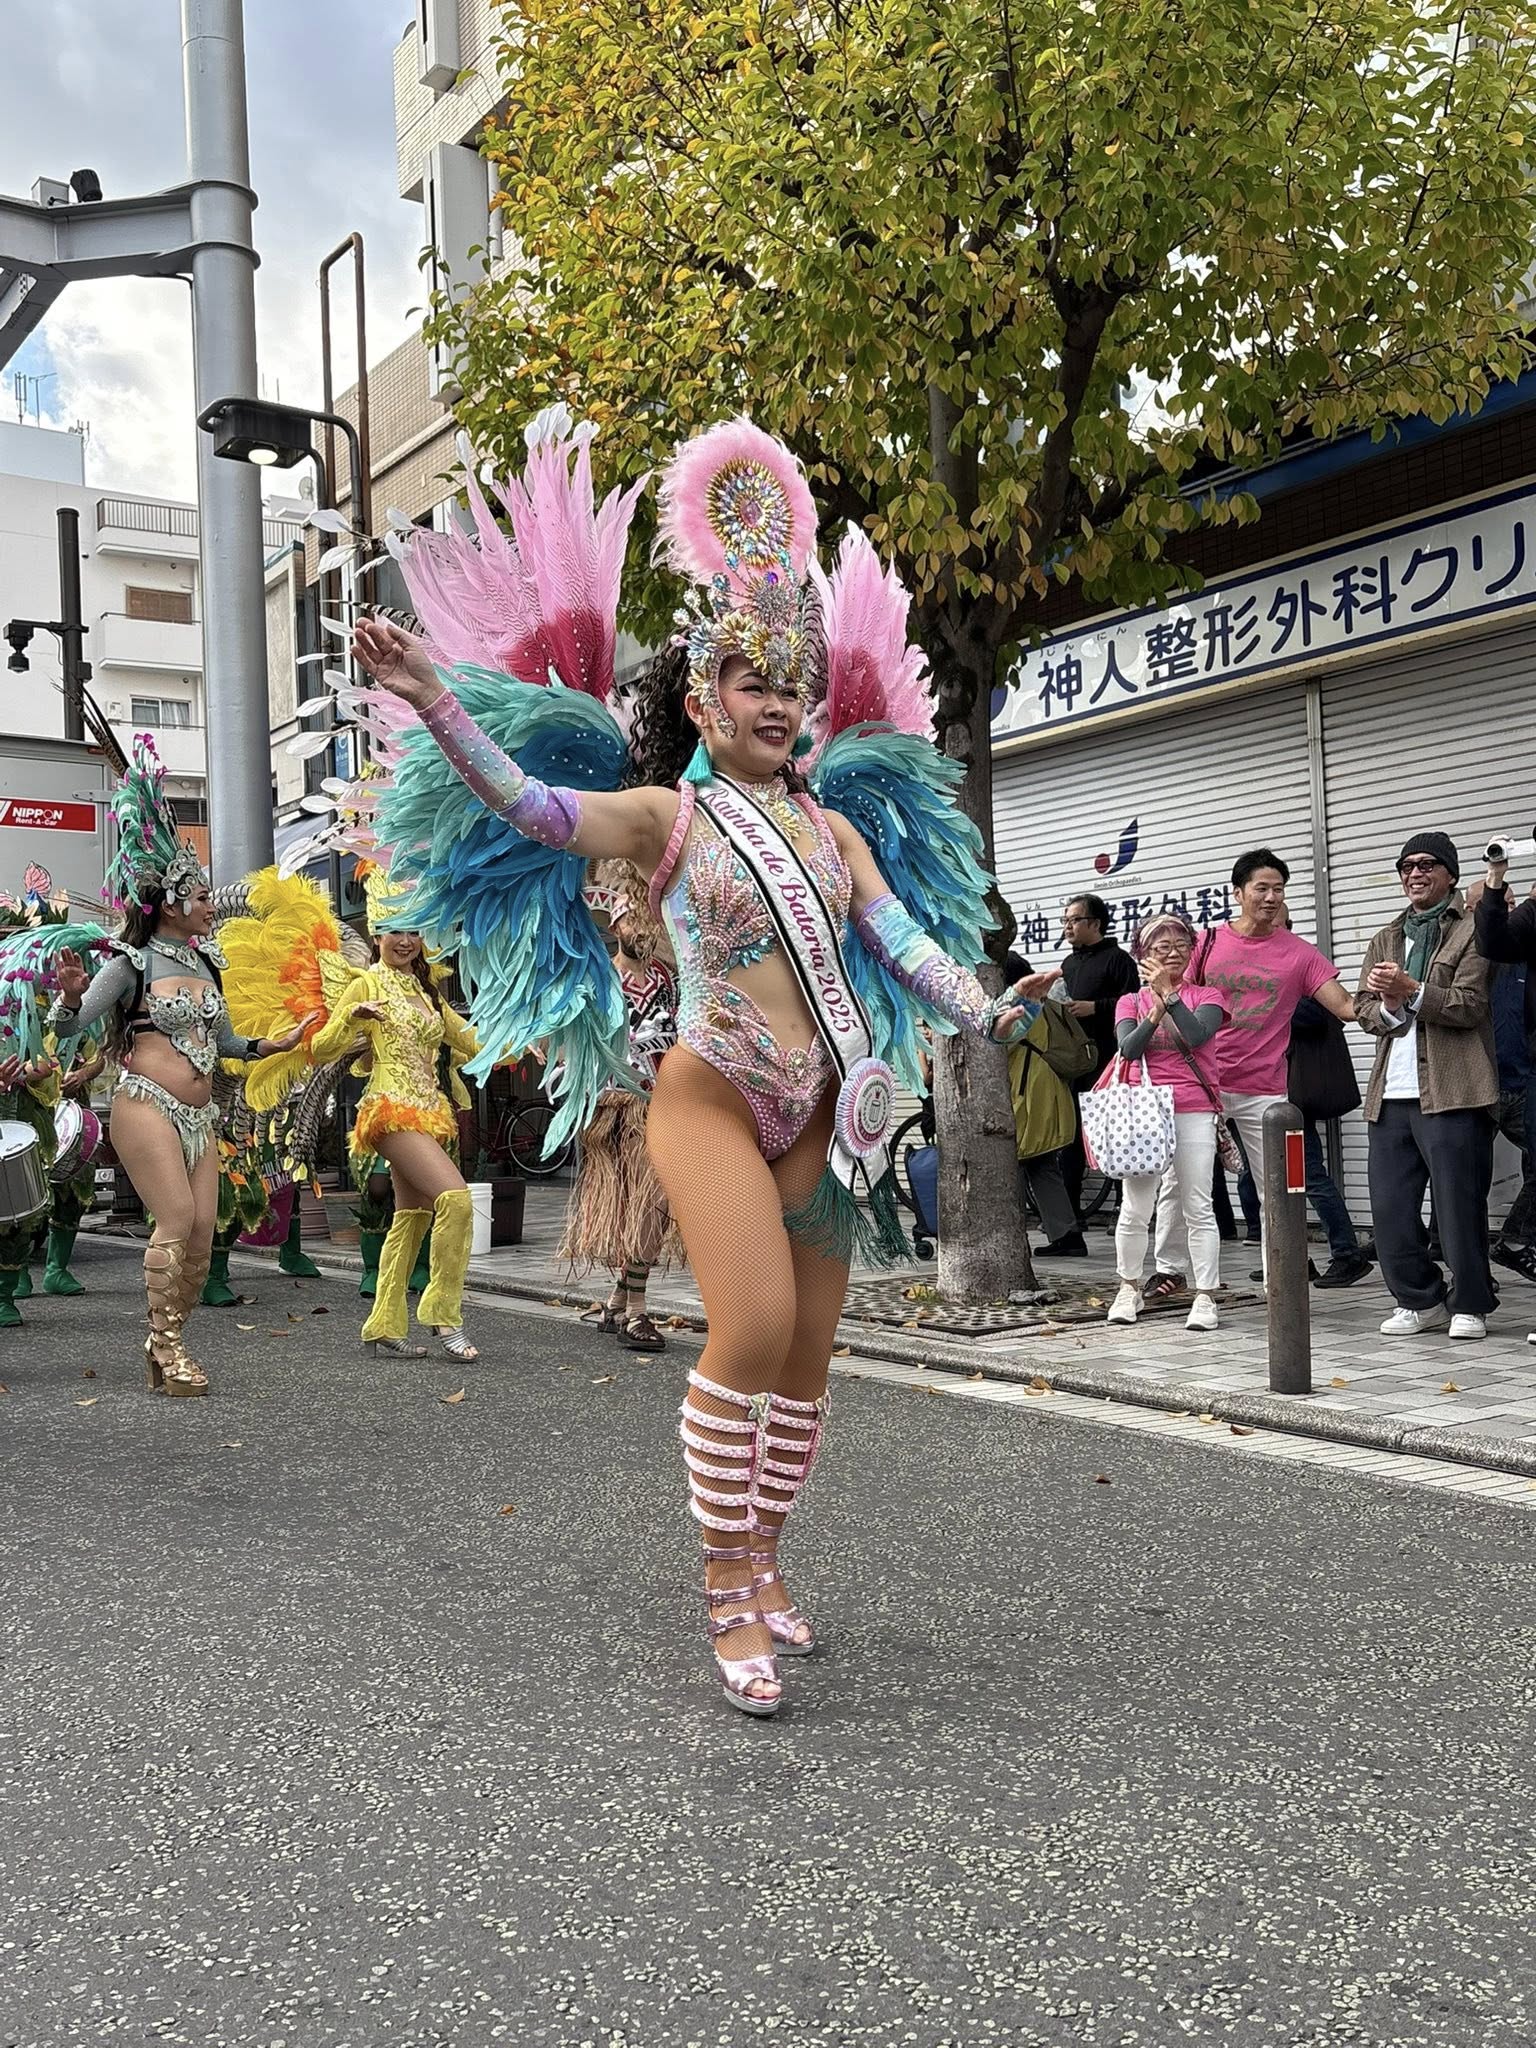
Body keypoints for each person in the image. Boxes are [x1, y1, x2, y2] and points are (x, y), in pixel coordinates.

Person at [351, 415, 1033, 1720]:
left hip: (820, 1109)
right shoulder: (670, 816)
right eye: (748, 679)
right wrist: (435, 695)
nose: (775, 701)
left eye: (793, 684)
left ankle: (768, 1555)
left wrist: (987, 1007)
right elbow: (534, 808)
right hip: (709, 1094)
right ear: (704, 698)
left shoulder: (832, 831)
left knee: (811, 1355)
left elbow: (901, 944)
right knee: (754, 1325)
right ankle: (725, 1581)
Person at [34, 740, 311, 1393]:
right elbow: (69, 1030)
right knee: (177, 1219)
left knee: (201, 1236)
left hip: (199, 1114)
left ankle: (167, 1342)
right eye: (204, 895)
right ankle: (168, 1346)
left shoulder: (207, 963)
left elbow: (228, 1042)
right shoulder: (127, 965)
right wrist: (69, 998)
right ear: (170, 901)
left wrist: (272, 1046)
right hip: (145, 1105)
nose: (213, 905)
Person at [305, 886, 481, 1362]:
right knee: (456, 1199)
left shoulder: (426, 991)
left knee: (413, 1216)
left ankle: (384, 1322)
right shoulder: (368, 984)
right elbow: (321, 1048)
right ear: (377, 935)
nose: (405, 941)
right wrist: (351, 1017)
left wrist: (524, 1043)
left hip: (428, 1109)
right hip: (389, 1108)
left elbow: (468, 1040)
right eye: (395, 931)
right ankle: (443, 1313)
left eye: (414, 931)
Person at [1356, 830, 1497, 1340]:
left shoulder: (1474, 929)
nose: (1415, 873)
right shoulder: (1386, 937)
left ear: (1450, 874)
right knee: (1389, 1208)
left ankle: (1471, 1304)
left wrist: (1412, 990)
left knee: (1459, 1207)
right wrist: (1390, 1005)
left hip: (1454, 1088)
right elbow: (1363, 1010)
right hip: (1390, 1094)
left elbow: (1470, 1005)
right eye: (1407, 866)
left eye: (1427, 864)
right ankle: (1419, 1300)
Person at [1191, 850, 1355, 1282]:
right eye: (1261, 888)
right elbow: (1176, 998)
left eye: (1278, 889)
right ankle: (1175, 1276)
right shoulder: (1205, 943)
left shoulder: (1300, 953)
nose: (1270, 897)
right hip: (1203, 1084)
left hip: (1265, 1090)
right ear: (1238, 893)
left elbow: (1344, 1006)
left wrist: (1390, 996)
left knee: (1280, 1191)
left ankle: (1279, 1282)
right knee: (1184, 1187)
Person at [567, 861, 680, 1352]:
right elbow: (575, 1042)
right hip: (615, 1109)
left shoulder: (670, 979)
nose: (644, 931)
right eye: (634, 921)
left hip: (664, 1103)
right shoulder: (601, 981)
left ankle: (620, 1300)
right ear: (616, 926)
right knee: (633, 1207)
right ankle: (636, 1310)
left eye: (649, 921)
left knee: (653, 1205)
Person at [1103, 912, 1229, 1332]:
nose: (1173, 953)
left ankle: (1206, 1295)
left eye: (1181, 945)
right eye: (1162, 947)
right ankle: (1128, 1287)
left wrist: (1171, 998)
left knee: (1198, 1205)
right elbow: (1129, 1048)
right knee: (1136, 1207)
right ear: (1143, 955)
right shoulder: (1130, 1002)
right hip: (1142, 1111)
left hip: (1193, 1108)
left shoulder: (1208, 996)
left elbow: (1196, 1036)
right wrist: (1155, 1012)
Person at [1014, 894, 1138, 1249]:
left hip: (1109, 1062)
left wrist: (1095, 1008)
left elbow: (1134, 1003)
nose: (1067, 927)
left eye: (1074, 920)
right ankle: (1069, 1221)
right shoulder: (1067, 963)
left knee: (1115, 1138)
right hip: (1072, 1064)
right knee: (1067, 1141)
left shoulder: (1118, 960)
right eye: (1065, 921)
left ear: (1095, 923)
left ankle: (1122, 1210)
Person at [1472, 867, 1536, 1290]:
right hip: (1478, 1085)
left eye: (1515, 904)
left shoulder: (1524, 950)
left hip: (1521, 1084)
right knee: (1465, 1183)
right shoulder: (1471, 958)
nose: (1509, 912)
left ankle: (1515, 1240)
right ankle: (1470, 1272)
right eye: (1500, 904)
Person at [1002, 952, 1080, 1251]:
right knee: (1042, 1164)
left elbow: (1000, 1047)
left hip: (1027, 1091)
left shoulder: (1017, 1007)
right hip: (1049, 1088)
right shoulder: (1048, 1003)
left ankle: (1009, 1236)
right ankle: (1066, 1235)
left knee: (1012, 1162)